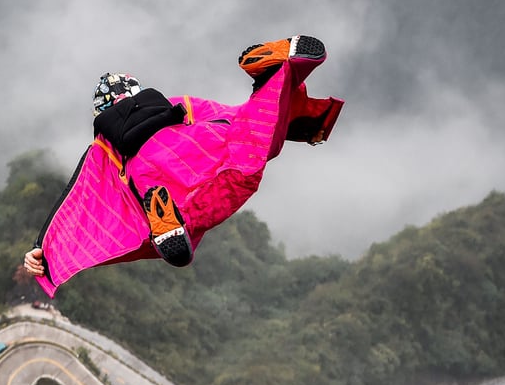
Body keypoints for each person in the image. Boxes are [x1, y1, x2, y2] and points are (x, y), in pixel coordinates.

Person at [24, 35, 343, 297]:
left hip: (153, 178)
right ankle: (276, 72)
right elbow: (234, 117)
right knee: (249, 147)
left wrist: (44, 249)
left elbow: (78, 200)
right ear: (137, 91)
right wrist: (297, 123)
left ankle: (175, 227)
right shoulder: (178, 104)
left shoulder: (103, 147)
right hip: (199, 146)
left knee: (180, 222)